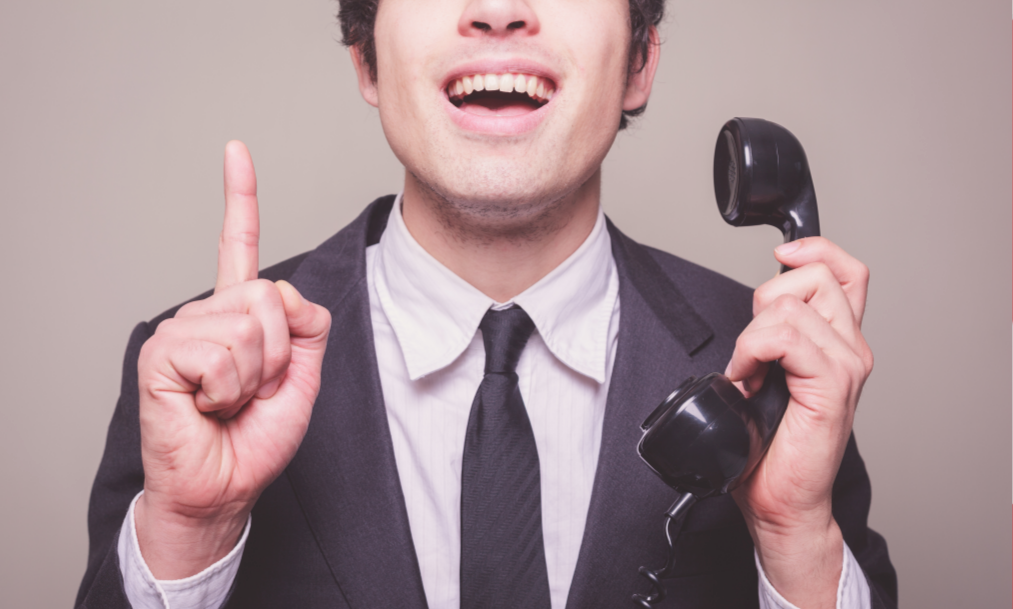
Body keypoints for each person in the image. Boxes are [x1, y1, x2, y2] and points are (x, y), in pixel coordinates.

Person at [76, 0, 897, 608]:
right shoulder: (199, 376)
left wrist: (795, 540)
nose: (499, 10)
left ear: (639, 60)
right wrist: (191, 536)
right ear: (365, 57)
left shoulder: (767, 362)